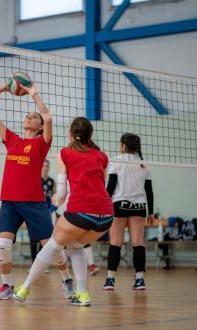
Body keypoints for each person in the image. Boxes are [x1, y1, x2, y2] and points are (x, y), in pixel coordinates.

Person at [14, 117, 114, 306]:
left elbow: (61, 192)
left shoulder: (65, 153)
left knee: (51, 246)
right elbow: (102, 185)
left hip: (81, 211)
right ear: (90, 135)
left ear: (70, 133)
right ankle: (82, 294)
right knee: (75, 246)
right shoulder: (102, 156)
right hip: (106, 216)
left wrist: (56, 199)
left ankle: (24, 288)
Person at [0, 80, 73, 300]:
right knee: (2, 246)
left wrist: (34, 93)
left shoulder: (41, 143)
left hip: (34, 203)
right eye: (28, 115)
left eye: (34, 117)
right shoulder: (13, 140)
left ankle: (67, 280)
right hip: (9, 202)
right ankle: (7, 285)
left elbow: (48, 118)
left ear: (39, 127)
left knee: (52, 248)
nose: (30, 117)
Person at [103, 133, 154, 291]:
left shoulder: (117, 161)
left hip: (119, 205)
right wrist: (150, 212)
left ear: (123, 145)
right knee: (138, 243)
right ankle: (140, 280)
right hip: (139, 207)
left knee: (115, 243)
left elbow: (110, 188)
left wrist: (103, 207)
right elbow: (149, 191)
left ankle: (110, 279)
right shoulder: (144, 164)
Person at [29, 159, 56, 265]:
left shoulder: (52, 181)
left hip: (47, 212)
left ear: (48, 168)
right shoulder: (35, 179)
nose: (45, 168)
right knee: (33, 238)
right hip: (34, 212)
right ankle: (33, 264)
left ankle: (40, 265)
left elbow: (54, 196)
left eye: (46, 166)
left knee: (44, 239)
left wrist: (53, 208)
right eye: (43, 166)